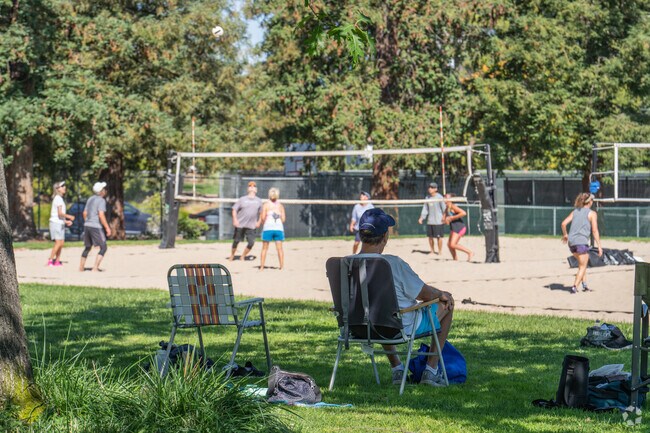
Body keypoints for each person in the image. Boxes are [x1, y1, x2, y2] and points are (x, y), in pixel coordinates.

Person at [358, 208, 454, 387]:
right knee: (447, 302)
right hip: (400, 327)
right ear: (385, 236)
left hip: (358, 328)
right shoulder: (392, 264)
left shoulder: (345, 264)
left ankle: (398, 370)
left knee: (380, 313)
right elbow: (425, 294)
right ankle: (431, 371)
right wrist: (441, 294)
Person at [561, 193, 602, 294]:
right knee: (583, 266)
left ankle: (585, 285)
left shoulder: (575, 211)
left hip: (571, 243)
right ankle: (574, 287)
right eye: (592, 200)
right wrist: (599, 246)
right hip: (581, 242)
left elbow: (563, 224)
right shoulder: (592, 213)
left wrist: (565, 235)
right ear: (589, 202)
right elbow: (595, 231)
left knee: (582, 264)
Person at [79, 182, 111, 272]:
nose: (105, 190)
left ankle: (81, 268)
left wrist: (87, 222)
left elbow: (84, 213)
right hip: (95, 226)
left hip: (87, 225)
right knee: (103, 247)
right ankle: (95, 268)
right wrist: (107, 228)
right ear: (101, 191)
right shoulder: (101, 200)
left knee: (87, 247)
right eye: (104, 189)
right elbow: (101, 215)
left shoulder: (90, 199)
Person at [229, 181, 263, 261]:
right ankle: (232, 255)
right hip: (240, 224)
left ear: (256, 189)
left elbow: (261, 212)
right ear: (247, 189)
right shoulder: (242, 199)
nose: (252, 187)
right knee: (236, 241)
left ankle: (243, 256)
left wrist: (259, 222)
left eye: (254, 186)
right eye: (250, 186)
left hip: (251, 226)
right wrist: (235, 219)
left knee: (251, 243)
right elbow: (234, 209)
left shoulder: (259, 200)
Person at [47, 181, 75, 266]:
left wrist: (65, 221)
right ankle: (50, 260)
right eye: (62, 186)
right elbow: (59, 214)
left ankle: (57, 261)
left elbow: (59, 215)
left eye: (64, 186)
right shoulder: (58, 198)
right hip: (55, 223)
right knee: (58, 242)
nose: (64, 187)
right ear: (57, 189)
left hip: (59, 223)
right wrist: (70, 217)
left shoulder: (60, 198)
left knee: (61, 243)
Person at [259, 187, 286, 271]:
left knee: (264, 248)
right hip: (278, 228)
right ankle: (281, 267)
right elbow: (283, 219)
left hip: (268, 228)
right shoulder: (280, 206)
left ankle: (262, 267)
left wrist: (265, 223)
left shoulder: (266, 205)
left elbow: (263, 217)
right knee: (280, 249)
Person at [418, 182, 446, 255]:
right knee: (430, 237)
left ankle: (440, 251)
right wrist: (421, 218)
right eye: (429, 187)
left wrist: (444, 217)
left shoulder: (440, 197)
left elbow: (444, 209)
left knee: (439, 237)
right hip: (430, 221)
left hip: (438, 221)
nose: (430, 189)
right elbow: (425, 209)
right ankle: (432, 251)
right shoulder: (427, 197)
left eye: (432, 187)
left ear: (436, 189)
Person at [443, 194, 473, 262]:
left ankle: (470, 252)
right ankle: (455, 259)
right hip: (454, 227)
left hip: (459, 227)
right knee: (449, 245)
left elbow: (463, 213)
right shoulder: (446, 208)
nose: (444, 198)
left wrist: (452, 217)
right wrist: (446, 220)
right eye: (444, 197)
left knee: (452, 244)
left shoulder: (453, 206)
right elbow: (444, 221)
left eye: (446, 197)